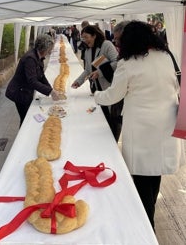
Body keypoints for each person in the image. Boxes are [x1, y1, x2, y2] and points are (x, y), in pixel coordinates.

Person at [94, 20, 185, 230]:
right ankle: (148, 218)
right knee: (154, 174)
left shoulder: (128, 63)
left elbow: (113, 95)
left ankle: (146, 228)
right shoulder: (166, 56)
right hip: (165, 124)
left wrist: (95, 96)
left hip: (142, 130)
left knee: (143, 178)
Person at [71, 25, 121, 140]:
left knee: (113, 116)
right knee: (102, 115)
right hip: (97, 88)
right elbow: (88, 69)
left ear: (94, 35)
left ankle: (113, 139)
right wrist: (78, 82)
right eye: (82, 38)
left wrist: (100, 72)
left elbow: (118, 62)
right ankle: (105, 139)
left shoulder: (106, 45)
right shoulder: (88, 50)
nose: (84, 40)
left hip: (109, 86)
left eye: (86, 37)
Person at [5, 34, 60, 126]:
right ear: (44, 48)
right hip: (19, 92)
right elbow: (32, 81)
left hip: (25, 90)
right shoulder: (30, 59)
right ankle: (22, 138)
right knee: (25, 118)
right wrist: (50, 91)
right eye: (49, 49)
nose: (50, 51)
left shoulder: (38, 56)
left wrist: (50, 89)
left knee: (27, 116)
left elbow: (41, 76)